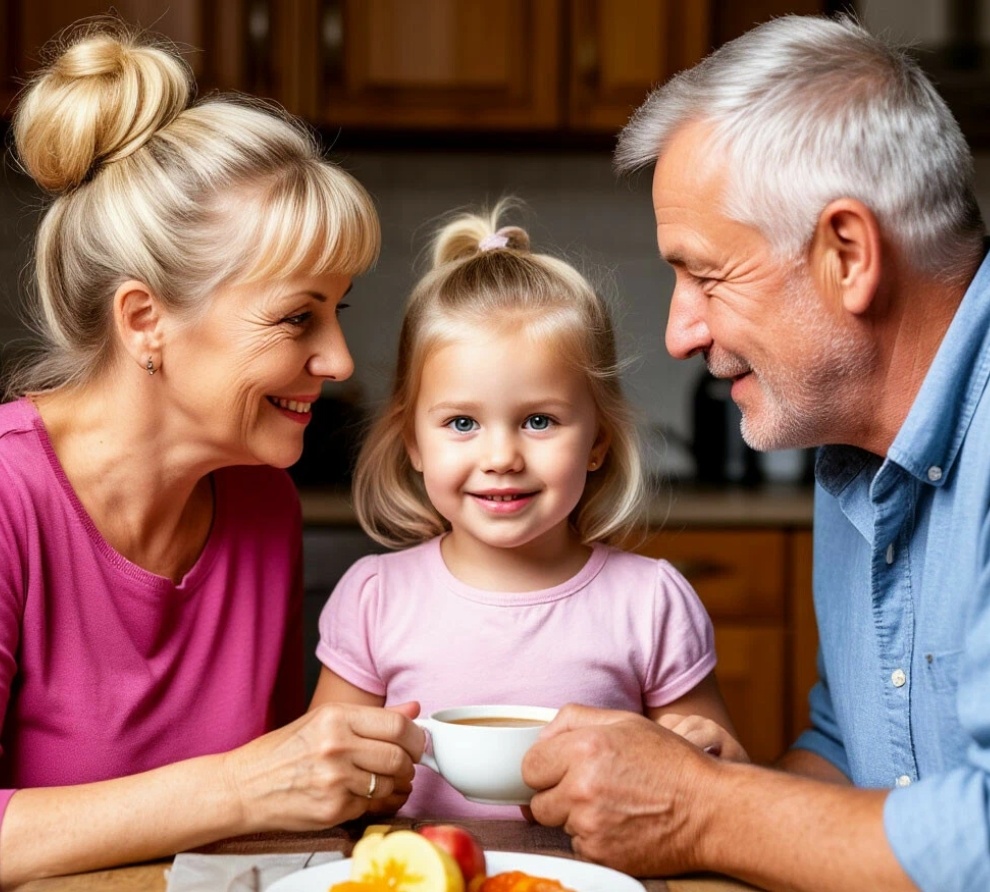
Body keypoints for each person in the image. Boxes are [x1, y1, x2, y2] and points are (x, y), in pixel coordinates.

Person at [520, 13, 990, 892]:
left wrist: (702, 807)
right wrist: (707, 776)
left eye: (705, 274)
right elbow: (859, 755)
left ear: (846, 255)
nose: (677, 331)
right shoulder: (852, 443)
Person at [0, 19, 425, 887]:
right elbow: (247, 792)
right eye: (296, 316)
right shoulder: (9, 498)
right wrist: (243, 785)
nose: (341, 362)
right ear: (145, 320)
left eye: (338, 313)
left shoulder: (261, 498)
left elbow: (266, 832)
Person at [308, 201, 747, 820]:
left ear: (597, 441)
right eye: (462, 422)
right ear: (412, 441)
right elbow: (324, 779)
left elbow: (718, 784)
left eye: (538, 421)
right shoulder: (374, 597)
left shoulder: (652, 603)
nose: (501, 457)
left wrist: (713, 760)